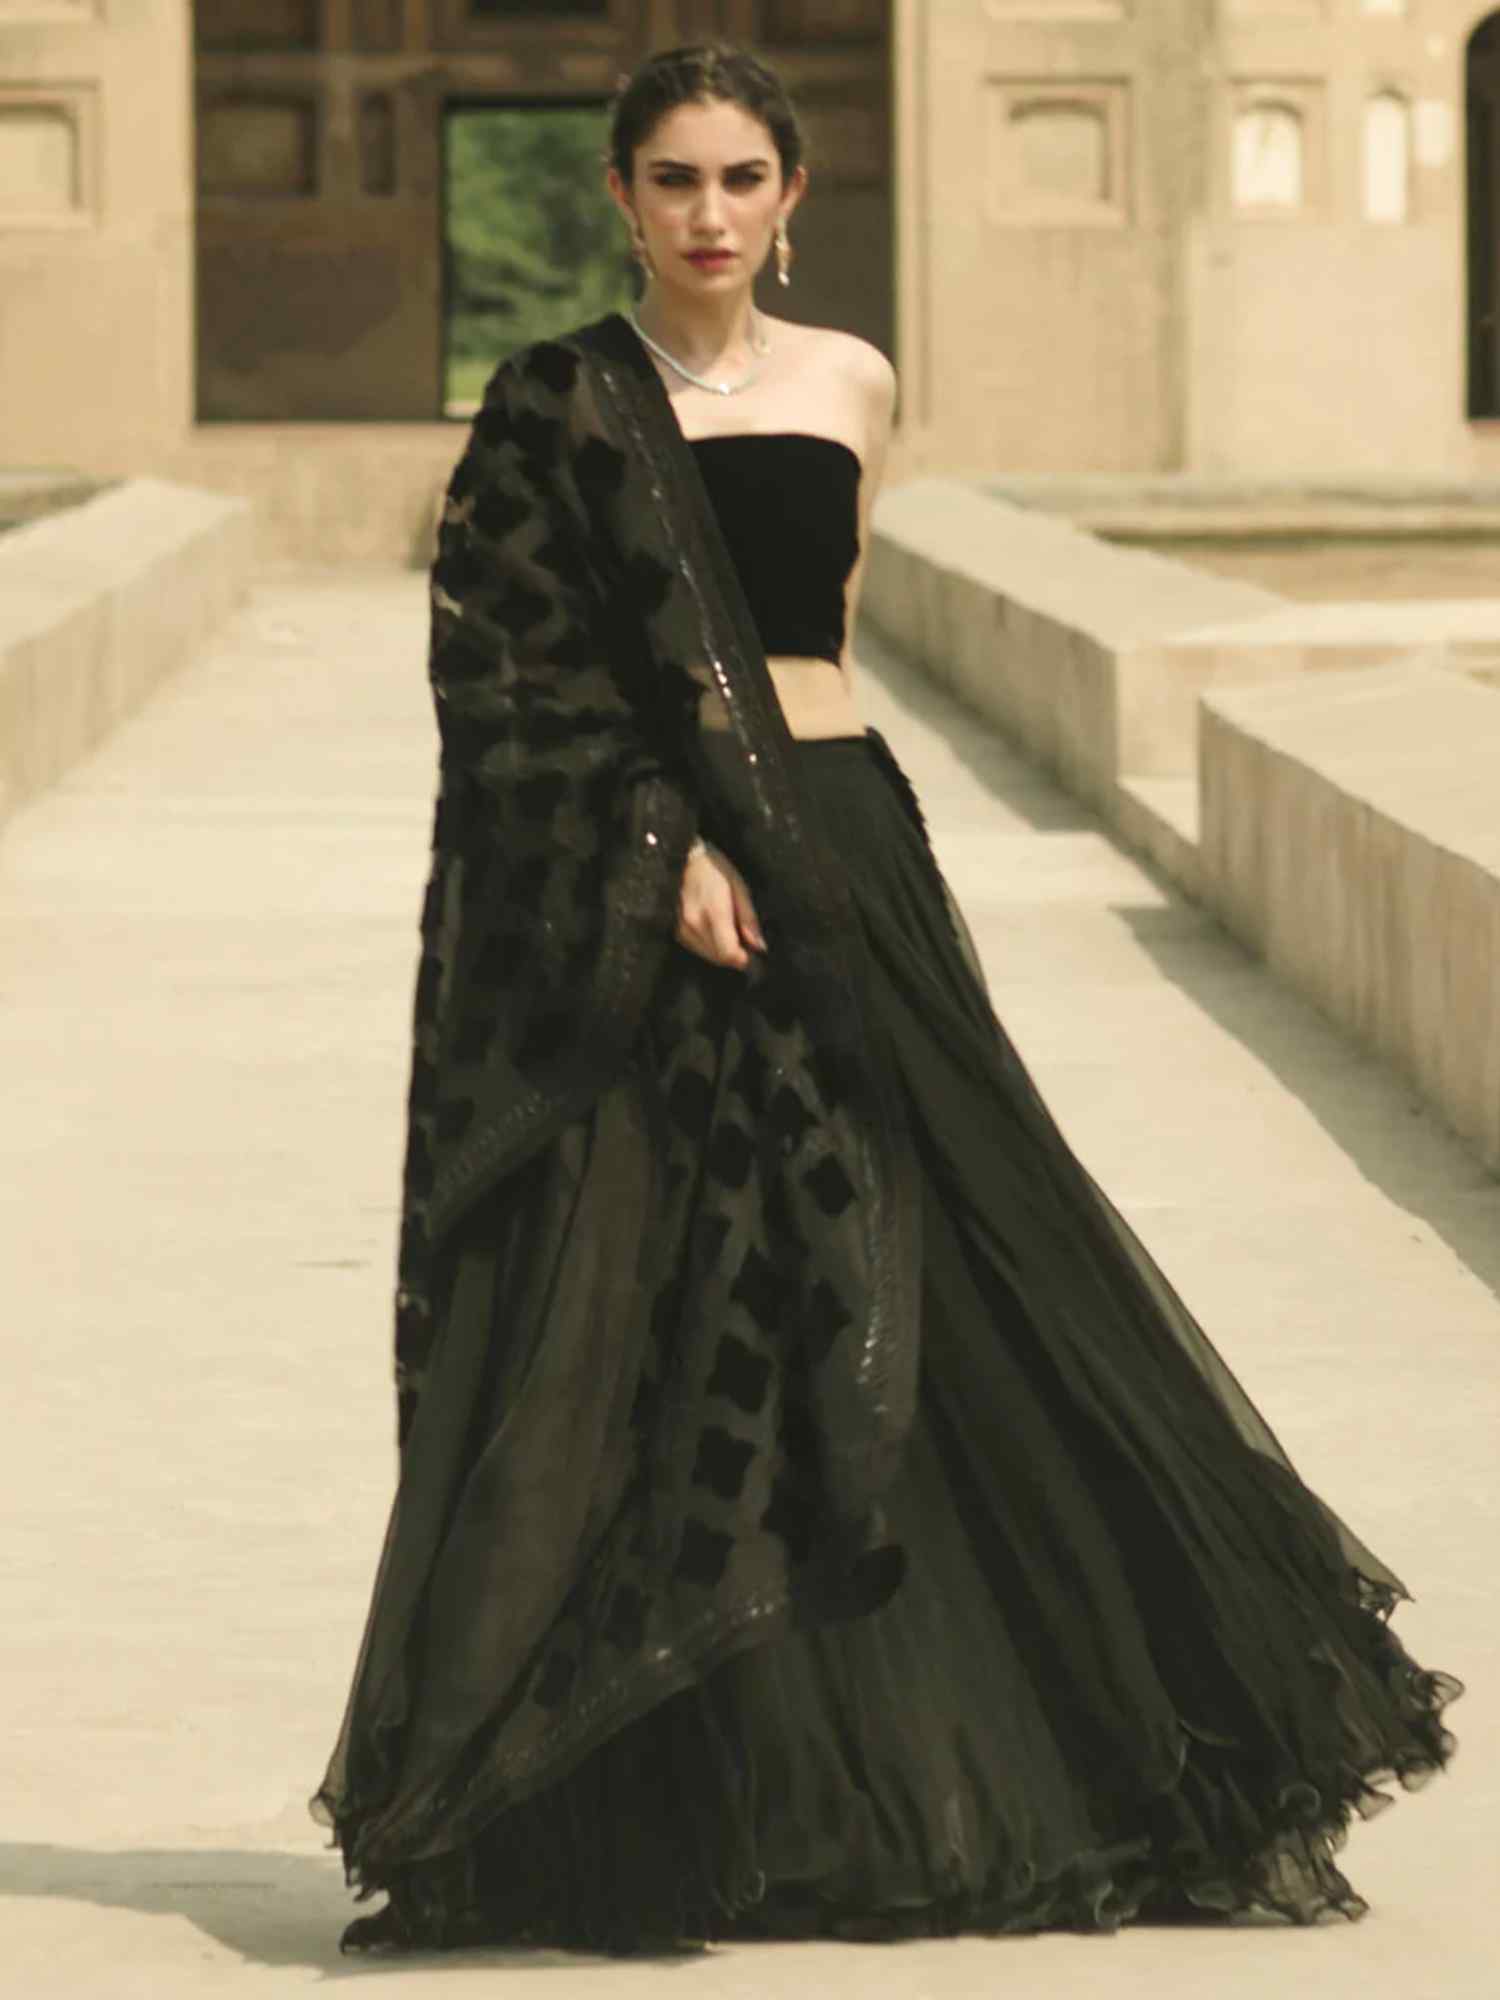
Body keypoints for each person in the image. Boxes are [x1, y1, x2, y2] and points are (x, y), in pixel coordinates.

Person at [310, 41, 1464, 1956]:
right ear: (618, 198)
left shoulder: (853, 377)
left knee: (943, 1270)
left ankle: (1053, 1776)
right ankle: (656, 1806)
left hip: (840, 847)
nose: (707, 212)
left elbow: (815, 630)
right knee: (657, 1300)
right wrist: (661, 838)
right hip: (653, 891)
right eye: (672, 179)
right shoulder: (556, 402)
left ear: (791, 194)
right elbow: (507, 683)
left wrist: (770, 832)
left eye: (740, 177)